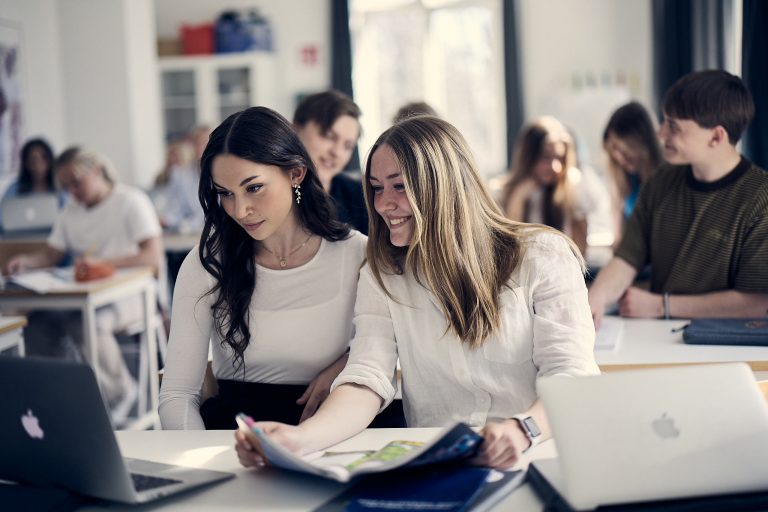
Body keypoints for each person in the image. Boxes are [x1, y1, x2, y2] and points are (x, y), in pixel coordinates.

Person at [235, 115, 599, 470]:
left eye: (399, 186)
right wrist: (299, 440)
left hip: (535, 457)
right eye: (377, 188)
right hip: (439, 466)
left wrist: (523, 430)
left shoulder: (543, 256)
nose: (382, 204)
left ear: (443, 186)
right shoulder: (384, 273)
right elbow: (367, 376)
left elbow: (571, 374)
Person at [158, 106, 376, 430]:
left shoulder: (356, 253)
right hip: (234, 440)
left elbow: (387, 348)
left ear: (296, 173)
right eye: (225, 194)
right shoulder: (207, 263)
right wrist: (200, 463)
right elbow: (177, 395)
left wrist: (349, 363)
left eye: (254, 187)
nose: (241, 210)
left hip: (334, 435)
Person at [588, 70, 768, 328]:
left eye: (674, 126)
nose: (660, 134)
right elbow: (626, 260)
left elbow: (756, 302)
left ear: (716, 137)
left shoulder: (761, 198)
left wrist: (662, 305)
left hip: (725, 346)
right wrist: (597, 296)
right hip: (659, 334)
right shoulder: (660, 182)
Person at [5, 146, 164, 425]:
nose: (72, 191)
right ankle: (63, 397)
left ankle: (121, 392)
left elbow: (152, 257)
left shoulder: (131, 201)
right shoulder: (70, 211)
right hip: (87, 297)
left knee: (89, 322)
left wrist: (103, 264)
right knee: (39, 323)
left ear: (97, 171)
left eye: (76, 182)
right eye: (65, 186)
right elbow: (51, 255)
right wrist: (26, 262)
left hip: (133, 295)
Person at [499, 116, 608, 255]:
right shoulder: (504, 192)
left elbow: (580, 250)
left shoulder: (574, 186)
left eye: (560, 158)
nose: (555, 167)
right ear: (529, 157)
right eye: (546, 157)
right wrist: (519, 197)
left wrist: (572, 193)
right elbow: (510, 247)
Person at [293, 90, 368, 234]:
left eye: (348, 146)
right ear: (295, 129)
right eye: (328, 136)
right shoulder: (272, 193)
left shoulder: (360, 198)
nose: (337, 152)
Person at [602, 102, 663, 244]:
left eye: (623, 149)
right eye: (613, 150)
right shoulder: (627, 180)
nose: (619, 157)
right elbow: (619, 240)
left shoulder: (668, 179)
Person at [0, 138, 65, 230]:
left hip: (54, 237)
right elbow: (2, 219)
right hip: (18, 238)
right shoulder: (13, 188)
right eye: (33, 159)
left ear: (51, 160)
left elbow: (68, 217)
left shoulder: (61, 188)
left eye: (44, 158)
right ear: (25, 163)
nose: (38, 164)